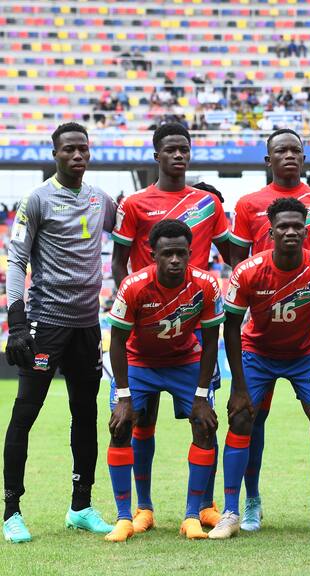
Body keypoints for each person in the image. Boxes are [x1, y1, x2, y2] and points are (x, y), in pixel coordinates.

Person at [110, 122, 231, 534]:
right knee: (138, 422)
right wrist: (137, 305)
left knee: (206, 418)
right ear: (156, 155)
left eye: (184, 149)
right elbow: (118, 261)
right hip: (147, 324)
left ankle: (204, 506)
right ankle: (140, 509)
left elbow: (233, 254)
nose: (179, 155)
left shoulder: (208, 203)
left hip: (195, 324)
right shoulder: (135, 204)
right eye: (171, 149)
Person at [229, 128, 310, 531]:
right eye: (281, 151)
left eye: (296, 150)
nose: (289, 156)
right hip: (265, 323)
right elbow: (237, 260)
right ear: (268, 160)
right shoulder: (248, 204)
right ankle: (251, 500)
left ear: (304, 157)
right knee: (252, 416)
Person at [2, 123, 117, 543]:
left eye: (83, 148)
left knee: (85, 415)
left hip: (87, 327)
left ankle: (81, 507)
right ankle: (11, 511)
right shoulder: (36, 199)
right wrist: (17, 321)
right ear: (55, 154)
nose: (77, 155)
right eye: (69, 149)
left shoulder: (100, 199)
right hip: (45, 325)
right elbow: (17, 260)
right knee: (25, 414)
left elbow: (135, 225)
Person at [104, 220, 224, 542]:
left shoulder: (206, 285)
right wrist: (124, 397)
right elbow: (117, 342)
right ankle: (129, 516)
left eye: (181, 253)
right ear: (153, 255)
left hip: (185, 361)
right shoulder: (133, 286)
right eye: (168, 253)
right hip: (139, 362)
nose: (175, 260)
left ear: (190, 253)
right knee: (121, 426)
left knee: (205, 426)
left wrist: (202, 396)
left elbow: (211, 342)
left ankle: (192, 515)